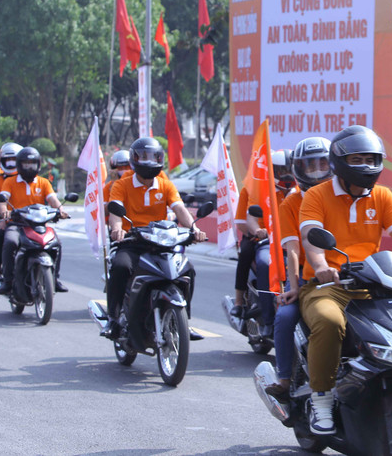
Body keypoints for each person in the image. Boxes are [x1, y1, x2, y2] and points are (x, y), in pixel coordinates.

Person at [298, 125, 392, 435]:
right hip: (327, 287)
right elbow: (310, 238)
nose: (366, 166)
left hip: (373, 287)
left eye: (371, 158)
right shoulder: (317, 194)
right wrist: (321, 265)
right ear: (339, 160)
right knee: (329, 322)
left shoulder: (382, 196)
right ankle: (322, 399)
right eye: (357, 158)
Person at [102, 137, 206, 339]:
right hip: (132, 242)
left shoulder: (166, 185)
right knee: (120, 267)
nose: (149, 161)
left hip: (160, 243)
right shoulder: (121, 185)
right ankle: (113, 319)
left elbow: (180, 209)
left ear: (161, 159)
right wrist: (117, 229)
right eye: (143, 156)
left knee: (188, 270)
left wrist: (194, 228)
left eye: (154, 156)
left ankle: (184, 319)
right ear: (134, 159)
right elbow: (115, 213)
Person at [265, 136, 333, 400]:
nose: (316, 171)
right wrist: (294, 287)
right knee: (284, 316)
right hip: (308, 276)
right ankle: (283, 378)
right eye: (309, 165)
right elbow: (292, 250)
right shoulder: (291, 203)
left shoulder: (343, 195)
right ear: (298, 169)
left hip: (345, 275)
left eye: (322, 164)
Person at [230, 148, 295, 325]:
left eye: (290, 170)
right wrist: (257, 231)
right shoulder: (256, 189)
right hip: (261, 239)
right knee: (249, 256)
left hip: (289, 241)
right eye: (282, 171)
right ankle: (241, 302)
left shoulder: (299, 192)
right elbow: (246, 220)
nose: (287, 175)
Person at [0, 147, 70, 296]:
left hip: (39, 225)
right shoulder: (10, 182)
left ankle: (54, 279)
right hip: (17, 225)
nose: (29, 167)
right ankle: (8, 280)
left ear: (38, 165)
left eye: (33, 164)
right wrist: (4, 212)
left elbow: (53, 199)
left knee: (57, 243)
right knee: (10, 242)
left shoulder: (43, 182)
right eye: (26, 164)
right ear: (19, 165)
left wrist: (60, 210)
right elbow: (2, 200)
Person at [0, 143, 21, 285]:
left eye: (14, 159)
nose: (11, 163)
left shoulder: (29, 179)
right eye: (8, 160)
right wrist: (0, 219)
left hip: (27, 220)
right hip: (8, 221)